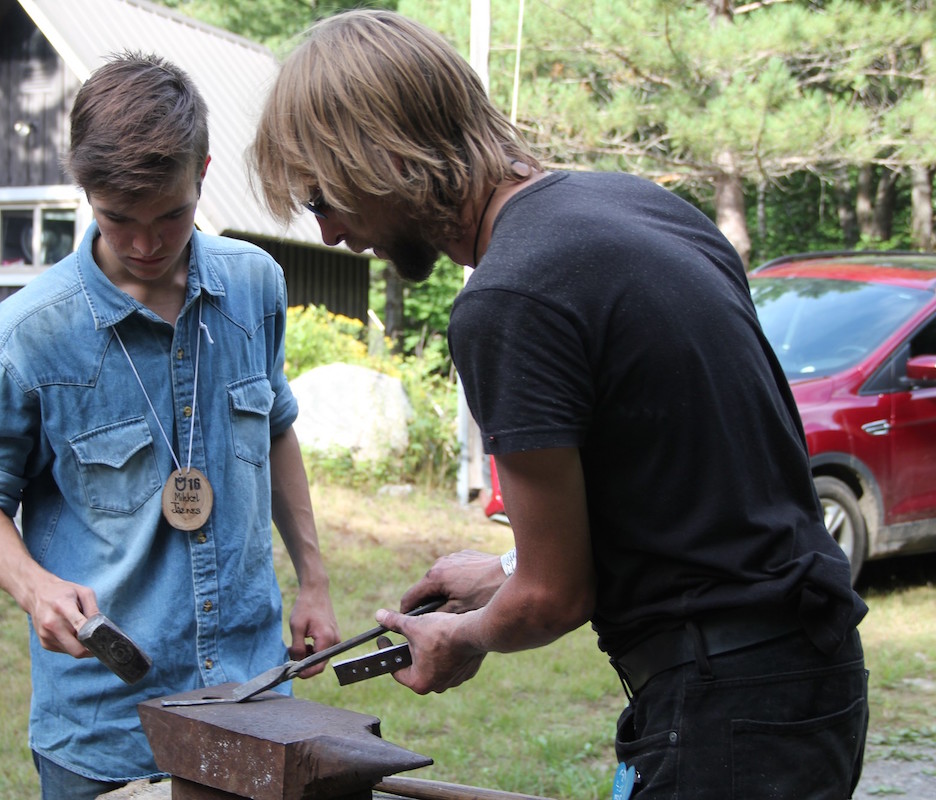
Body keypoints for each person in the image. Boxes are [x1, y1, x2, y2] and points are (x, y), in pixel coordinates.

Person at [251, 10, 869, 799]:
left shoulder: (510, 298)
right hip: (809, 680)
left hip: (728, 707)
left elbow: (555, 596)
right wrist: (504, 567)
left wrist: (464, 637)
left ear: (380, 156)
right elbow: (692, 499)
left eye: (321, 199)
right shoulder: (644, 208)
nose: (331, 233)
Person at [0, 51, 340, 800]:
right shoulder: (28, 333)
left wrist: (314, 581)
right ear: (86, 192)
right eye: (118, 218)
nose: (145, 244)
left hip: (252, 698)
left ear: (203, 173)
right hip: (105, 725)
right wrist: (35, 588)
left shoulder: (255, 284)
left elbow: (277, 427)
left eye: (171, 215)